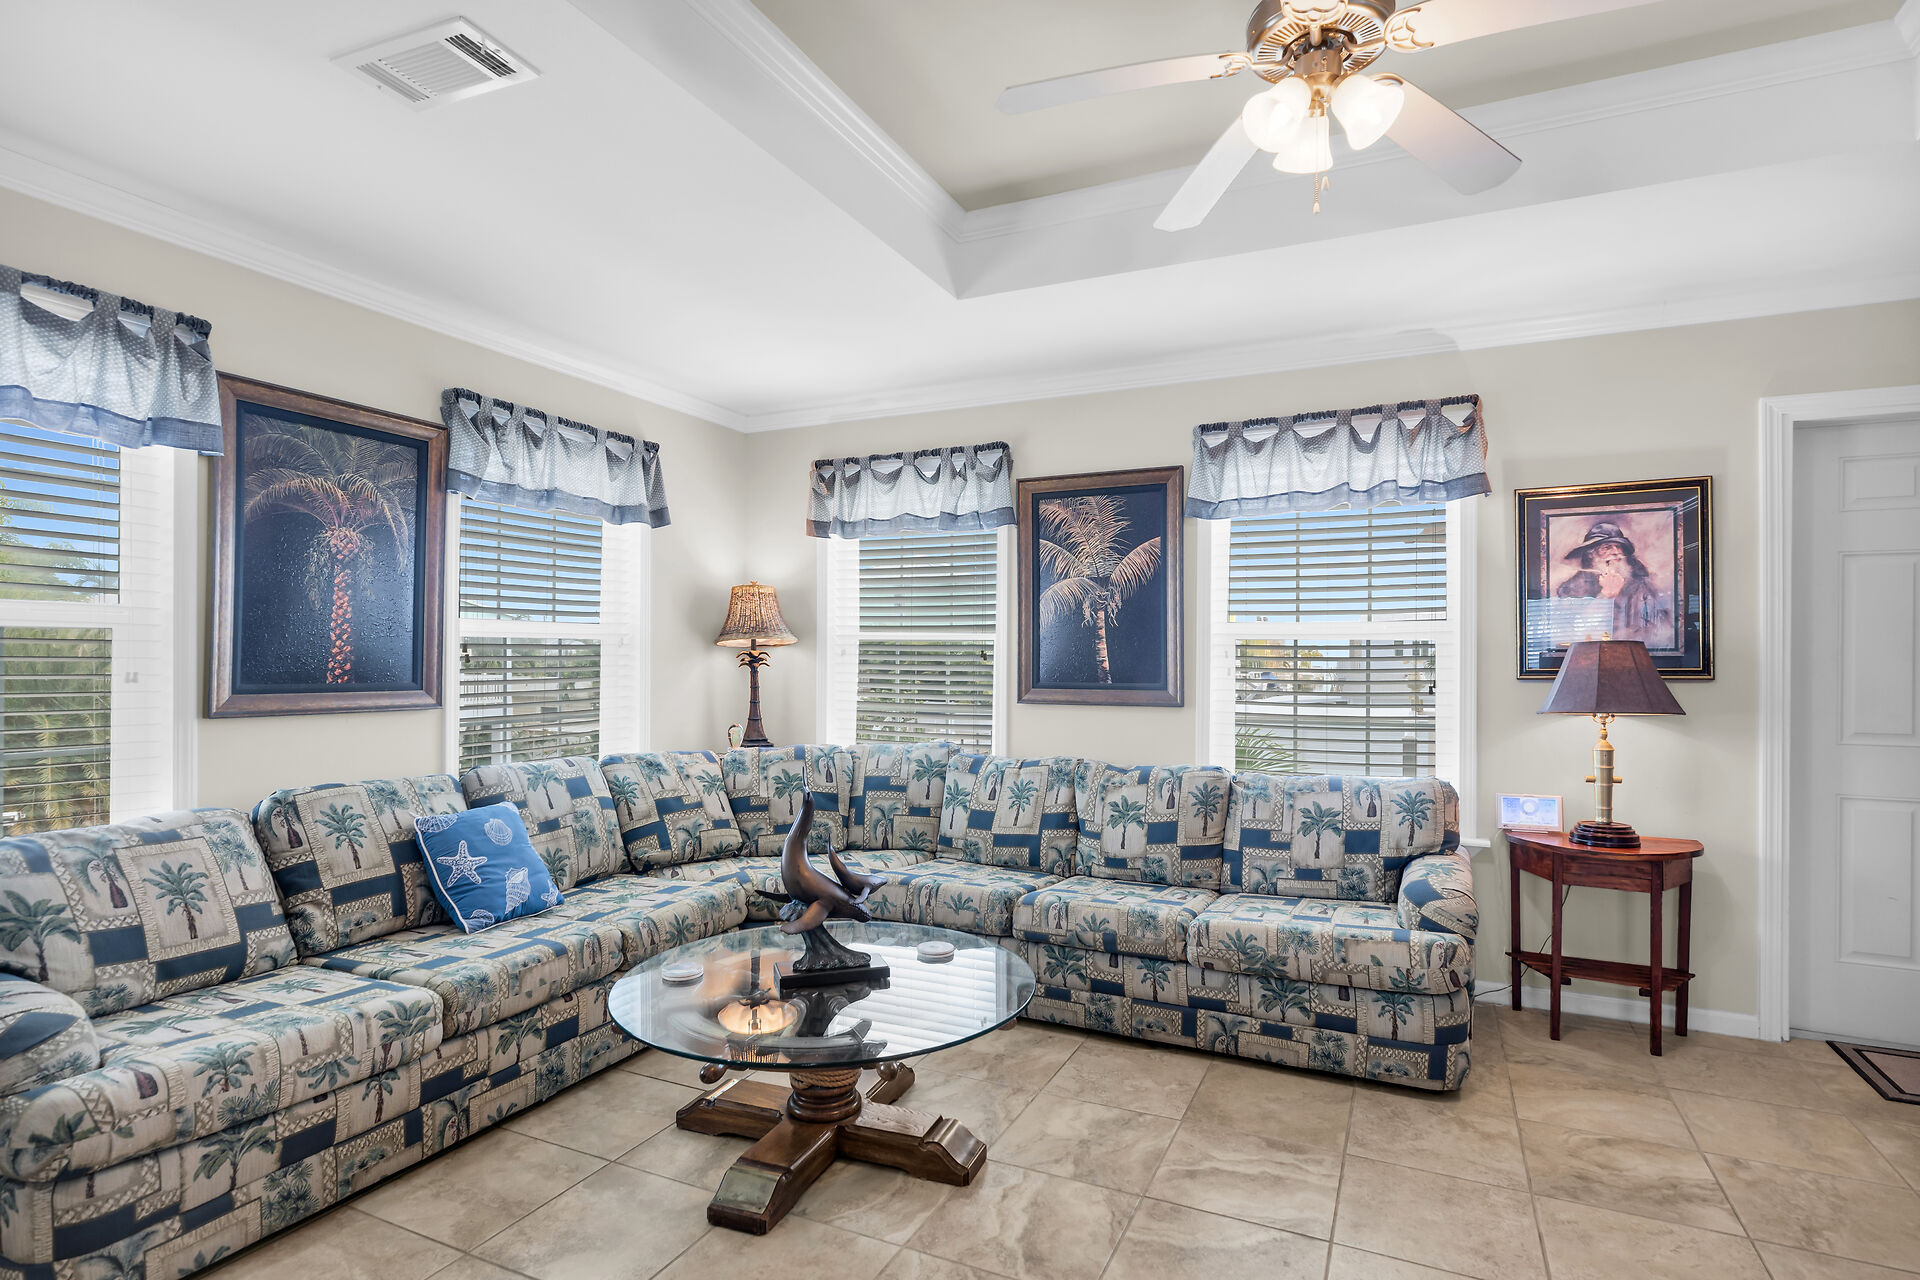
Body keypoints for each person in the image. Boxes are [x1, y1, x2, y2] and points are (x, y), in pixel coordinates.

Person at [1555, 520, 1674, 647]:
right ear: (1591, 554)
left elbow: (1657, 623)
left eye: (1619, 547)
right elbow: (1573, 631)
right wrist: (1605, 596)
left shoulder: (1640, 584)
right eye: (1607, 547)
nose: (1616, 552)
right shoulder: (1571, 588)